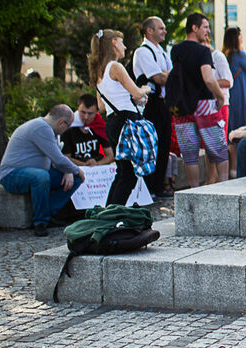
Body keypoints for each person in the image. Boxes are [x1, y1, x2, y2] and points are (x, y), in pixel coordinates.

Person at [0, 105, 86, 236]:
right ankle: (40, 222)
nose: (67, 129)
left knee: (75, 180)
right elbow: (58, 159)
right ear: (61, 123)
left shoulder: (51, 130)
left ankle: (48, 213)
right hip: (12, 175)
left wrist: (68, 172)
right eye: (68, 126)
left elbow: (57, 158)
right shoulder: (41, 128)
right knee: (41, 176)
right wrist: (78, 170)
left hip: (36, 173)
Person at [89, 28, 149, 205]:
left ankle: (109, 213)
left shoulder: (99, 72)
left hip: (113, 122)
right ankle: (113, 216)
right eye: (121, 41)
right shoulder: (115, 67)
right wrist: (145, 89)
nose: (124, 46)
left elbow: (101, 106)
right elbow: (138, 93)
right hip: (126, 121)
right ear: (113, 43)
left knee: (122, 173)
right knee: (128, 176)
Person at [170, 12, 228, 188]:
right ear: (194, 28)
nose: (208, 31)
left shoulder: (176, 50)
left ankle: (193, 190)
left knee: (190, 154)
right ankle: (225, 187)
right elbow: (208, 78)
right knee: (218, 149)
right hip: (204, 104)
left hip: (182, 106)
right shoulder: (203, 51)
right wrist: (219, 96)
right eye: (205, 27)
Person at [134, 16, 174, 198]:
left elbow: (171, 75)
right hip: (150, 105)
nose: (164, 31)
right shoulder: (143, 52)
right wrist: (166, 75)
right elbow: (159, 78)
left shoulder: (162, 52)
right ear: (149, 30)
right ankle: (150, 187)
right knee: (152, 146)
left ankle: (158, 186)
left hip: (164, 104)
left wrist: (166, 75)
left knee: (164, 145)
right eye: (161, 28)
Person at [223, 26, 246, 176]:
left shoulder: (225, 55)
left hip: (231, 95)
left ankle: (232, 168)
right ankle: (237, 169)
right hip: (242, 95)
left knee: (233, 127)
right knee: (245, 125)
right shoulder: (240, 54)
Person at [208, 33, 233, 184]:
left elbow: (228, 81)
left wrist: (208, 81)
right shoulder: (202, 58)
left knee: (219, 144)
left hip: (220, 104)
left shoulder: (218, 57)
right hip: (207, 105)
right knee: (209, 145)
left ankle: (222, 181)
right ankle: (211, 179)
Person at [60, 100, 115, 167]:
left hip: (97, 168)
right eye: (83, 112)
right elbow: (65, 157)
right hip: (75, 168)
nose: (86, 117)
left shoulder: (99, 127)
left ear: (96, 113)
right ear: (78, 109)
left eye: (90, 113)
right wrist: (84, 165)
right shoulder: (68, 129)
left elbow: (111, 155)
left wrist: (97, 163)